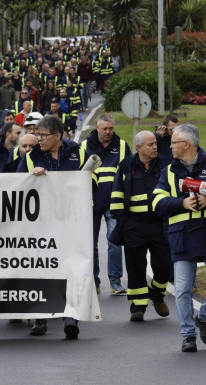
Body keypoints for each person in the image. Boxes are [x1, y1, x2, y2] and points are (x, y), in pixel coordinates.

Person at [153, 124, 206, 352]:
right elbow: (156, 203)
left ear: (187, 145)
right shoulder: (169, 171)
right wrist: (181, 203)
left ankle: (203, 318)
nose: (169, 146)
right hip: (182, 236)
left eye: (173, 142)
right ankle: (188, 335)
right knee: (182, 289)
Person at [17, 115, 85, 339]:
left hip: (71, 221)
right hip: (41, 224)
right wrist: (33, 178)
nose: (39, 139)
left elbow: (90, 182)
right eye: (38, 134)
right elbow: (16, 186)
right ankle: (40, 318)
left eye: (44, 135)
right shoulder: (31, 157)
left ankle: (70, 317)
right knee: (41, 270)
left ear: (59, 136)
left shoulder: (77, 152)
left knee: (69, 269)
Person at [110, 131, 170, 322]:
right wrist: (121, 221)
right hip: (133, 225)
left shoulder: (165, 164)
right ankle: (137, 306)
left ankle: (158, 294)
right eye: (150, 144)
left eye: (155, 143)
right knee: (135, 266)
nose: (155, 147)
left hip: (160, 224)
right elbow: (118, 194)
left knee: (164, 265)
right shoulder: (127, 166)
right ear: (139, 147)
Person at [81, 114, 131, 295]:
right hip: (90, 202)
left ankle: (115, 282)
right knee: (89, 244)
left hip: (114, 203)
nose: (108, 132)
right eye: (105, 129)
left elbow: (128, 174)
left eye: (111, 128)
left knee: (115, 241)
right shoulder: (85, 146)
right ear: (97, 128)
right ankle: (94, 281)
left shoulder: (123, 146)